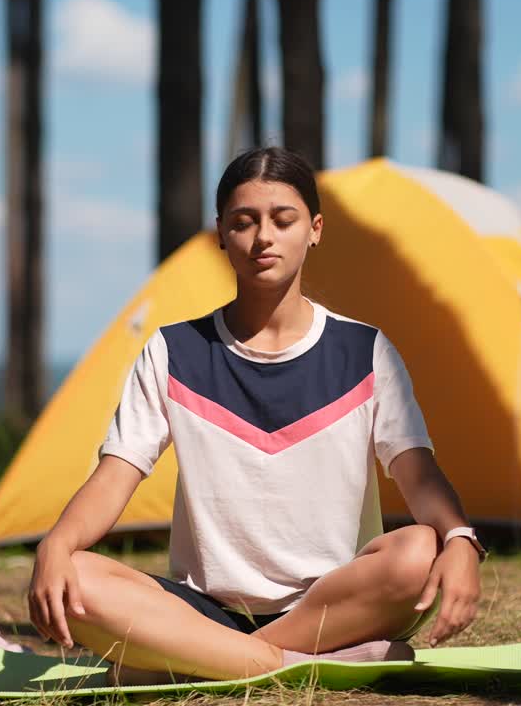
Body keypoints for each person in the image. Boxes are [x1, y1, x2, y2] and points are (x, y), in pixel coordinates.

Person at [27, 146, 485, 685]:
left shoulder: (364, 352)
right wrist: (55, 545)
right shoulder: (174, 351)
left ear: (314, 229)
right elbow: (113, 478)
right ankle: (286, 666)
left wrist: (460, 539)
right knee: (75, 575)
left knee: (417, 551)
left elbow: (418, 473)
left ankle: (198, 663)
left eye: (282, 220)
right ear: (221, 234)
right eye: (243, 222)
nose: (263, 237)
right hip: (196, 609)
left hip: (331, 608)